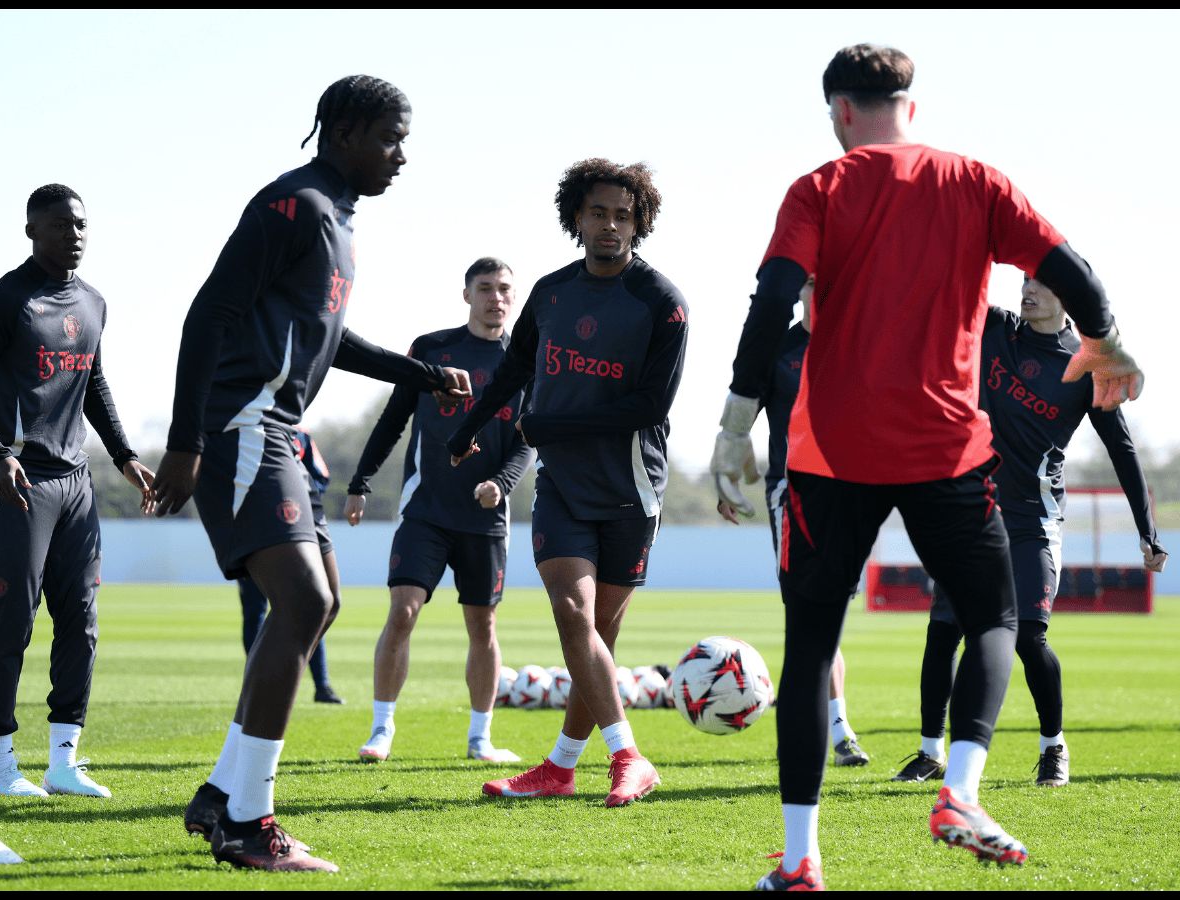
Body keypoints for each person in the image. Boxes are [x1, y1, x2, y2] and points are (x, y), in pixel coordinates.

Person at [711, 45, 1143, 887]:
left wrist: (734, 421)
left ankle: (800, 863)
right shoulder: (977, 183)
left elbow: (771, 300)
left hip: (829, 452)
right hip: (946, 449)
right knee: (992, 621)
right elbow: (1074, 274)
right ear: (911, 105)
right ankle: (960, 794)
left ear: (839, 111)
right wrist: (1104, 344)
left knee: (809, 649)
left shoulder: (818, 188)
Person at [152, 75, 471, 873]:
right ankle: (249, 823)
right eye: (390, 138)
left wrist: (417, 372)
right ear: (343, 131)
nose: (402, 156)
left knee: (319, 602)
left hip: (280, 430)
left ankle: (223, 796)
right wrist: (187, 441)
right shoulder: (292, 204)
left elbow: (327, 336)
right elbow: (208, 315)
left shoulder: (335, 220)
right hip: (242, 426)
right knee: (302, 599)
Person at [448, 158, 688, 809]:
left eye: (622, 214)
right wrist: (468, 426)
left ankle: (558, 767)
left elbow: (648, 407)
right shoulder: (551, 293)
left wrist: (551, 421)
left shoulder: (661, 303)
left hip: (631, 489)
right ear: (575, 218)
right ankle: (628, 756)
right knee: (573, 613)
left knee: (596, 640)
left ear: (638, 221)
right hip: (560, 486)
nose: (609, 225)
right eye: (597, 212)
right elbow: (511, 370)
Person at [894, 277, 1167, 790]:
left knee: (1026, 637)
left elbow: (1123, 450)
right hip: (970, 511)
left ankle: (1053, 747)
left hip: (1031, 522)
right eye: (1025, 281)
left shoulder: (1087, 364)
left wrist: (1147, 531)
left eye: (1043, 283)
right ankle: (931, 752)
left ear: (1070, 299)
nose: (1029, 289)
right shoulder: (995, 328)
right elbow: (943, 287)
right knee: (944, 630)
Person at [0, 184, 154, 799]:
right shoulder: (4, 301)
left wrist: (124, 455)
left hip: (76, 483)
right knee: (10, 623)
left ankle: (64, 762)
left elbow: (94, 383)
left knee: (81, 623)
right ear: (32, 230)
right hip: (18, 485)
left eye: (82, 225)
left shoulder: (92, 303)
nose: (75, 235)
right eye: (62, 225)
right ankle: (1, 767)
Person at [346, 257, 534, 764]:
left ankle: (480, 739)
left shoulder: (527, 359)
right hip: (425, 510)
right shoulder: (431, 350)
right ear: (467, 294)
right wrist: (360, 480)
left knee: (483, 627)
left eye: (505, 290)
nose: (497, 297)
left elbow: (528, 440)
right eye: (486, 288)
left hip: (487, 519)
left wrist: (501, 482)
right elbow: (394, 417)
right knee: (403, 611)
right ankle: (381, 728)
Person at [714, 278, 868, 768]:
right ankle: (833, 732)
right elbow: (741, 418)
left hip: (849, 495)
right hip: (792, 494)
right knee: (808, 615)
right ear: (797, 289)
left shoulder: (858, 344)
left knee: (827, 620)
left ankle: (824, 727)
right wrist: (730, 478)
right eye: (811, 284)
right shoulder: (777, 348)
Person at [238, 427, 342, 705]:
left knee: (311, 606)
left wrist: (294, 495)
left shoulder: (301, 434)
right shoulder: (244, 428)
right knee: (255, 611)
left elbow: (321, 475)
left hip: (299, 529)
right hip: (255, 530)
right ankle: (258, 682)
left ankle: (321, 685)